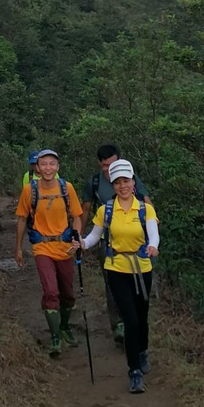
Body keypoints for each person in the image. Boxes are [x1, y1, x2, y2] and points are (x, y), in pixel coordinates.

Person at [80, 159, 158, 393]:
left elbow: (153, 234)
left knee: (142, 318)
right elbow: (95, 236)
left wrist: (153, 246)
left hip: (142, 268)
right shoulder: (106, 210)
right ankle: (134, 371)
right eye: (118, 182)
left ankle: (142, 351)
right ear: (112, 185)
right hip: (116, 269)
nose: (122, 186)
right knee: (131, 320)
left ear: (133, 183)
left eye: (126, 181)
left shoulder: (145, 208)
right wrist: (82, 243)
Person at [15, 149, 83, 357]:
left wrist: (77, 238)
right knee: (51, 291)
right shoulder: (29, 190)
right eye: (43, 164)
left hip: (64, 247)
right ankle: (55, 337)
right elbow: (22, 219)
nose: (47, 168)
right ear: (37, 167)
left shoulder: (66, 188)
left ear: (58, 167)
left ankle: (64, 327)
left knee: (68, 295)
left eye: (52, 164)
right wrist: (18, 248)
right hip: (41, 247)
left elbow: (77, 216)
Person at [80, 144, 149, 345]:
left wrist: (150, 235)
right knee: (112, 284)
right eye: (104, 166)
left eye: (112, 164)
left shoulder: (130, 180)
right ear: (99, 164)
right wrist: (80, 236)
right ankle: (118, 324)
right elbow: (85, 210)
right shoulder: (93, 182)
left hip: (135, 243)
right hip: (107, 241)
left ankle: (134, 322)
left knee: (138, 285)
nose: (108, 169)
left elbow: (146, 202)